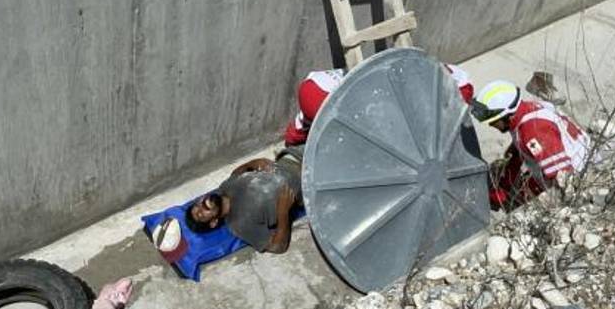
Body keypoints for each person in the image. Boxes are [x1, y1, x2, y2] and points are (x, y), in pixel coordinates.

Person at [284, 63, 476, 146]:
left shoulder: (439, 86)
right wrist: (291, 144)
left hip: (451, 90)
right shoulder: (317, 92)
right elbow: (299, 128)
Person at [471, 80, 591, 210]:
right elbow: (518, 157)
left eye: (493, 121)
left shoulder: (533, 131)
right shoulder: (526, 111)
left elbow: (563, 177)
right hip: (573, 161)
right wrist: (502, 189)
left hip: (580, 177)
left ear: (506, 115)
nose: (491, 125)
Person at [185, 147, 303, 253]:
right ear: (213, 222)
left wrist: (253, 163)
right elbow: (278, 247)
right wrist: (283, 213)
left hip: (291, 156)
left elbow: (236, 173)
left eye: (197, 205)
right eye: (201, 214)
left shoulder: (225, 188)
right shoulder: (239, 225)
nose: (201, 206)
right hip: (306, 179)